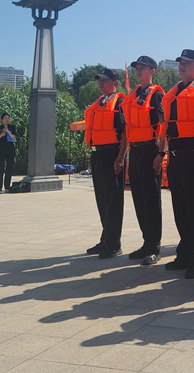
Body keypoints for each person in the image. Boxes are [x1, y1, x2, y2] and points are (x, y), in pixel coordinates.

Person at [161, 49, 194, 279]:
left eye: (187, 63)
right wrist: (162, 154)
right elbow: (167, 127)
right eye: (180, 63)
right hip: (175, 156)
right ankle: (184, 253)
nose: (182, 66)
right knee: (180, 208)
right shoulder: (174, 94)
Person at [122, 55, 165, 266]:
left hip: (150, 149)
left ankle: (154, 247)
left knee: (151, 200)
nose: (138, 71)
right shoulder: (134, 95)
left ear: (152, 71)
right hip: (136, 151)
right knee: (139, 199)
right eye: (136, 68)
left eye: (142, 68)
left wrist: (161, 154)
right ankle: (146, 243)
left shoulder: (157, 95)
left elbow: (164, 126)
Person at [83, 68, 128, 259]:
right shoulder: (100, 102)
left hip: (112, 154)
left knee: (113, 200)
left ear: (115, 83)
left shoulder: (120, 103)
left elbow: (126, 132)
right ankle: (105, 239)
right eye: (99, 80)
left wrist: (121, 157)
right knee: (102, 199)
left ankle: (114, 244)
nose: (100, 83)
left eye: (104, 80)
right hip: (98, 154)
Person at [0, 113, 18, 193]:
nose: (7, 119)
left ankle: (7, 187)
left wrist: (7, 131)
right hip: (2, 149)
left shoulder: (12, 127)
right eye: (5, 118)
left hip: (10, 148)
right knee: (0, 168)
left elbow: (13, 138)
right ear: (2, 120)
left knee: (9, 168)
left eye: (8, 118)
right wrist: (1, 135)